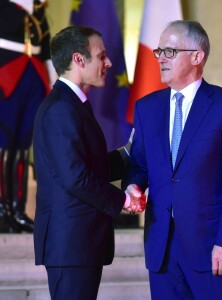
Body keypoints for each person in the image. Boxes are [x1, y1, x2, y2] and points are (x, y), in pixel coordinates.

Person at [124, 20, 222, 299]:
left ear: (197, 57)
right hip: (161, 249)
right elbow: (139, 166)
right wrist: (132, 186)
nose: (160, 57)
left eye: (169, 51)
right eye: (159, 51)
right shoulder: (147, 108)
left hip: (212, 248)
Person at [32, 25, 145, 300]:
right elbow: (75, 177)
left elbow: (87, 166)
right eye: (101, 56)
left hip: (79, 244)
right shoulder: (61, 107)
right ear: (79, 60)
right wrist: (124, 201)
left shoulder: (73, 103)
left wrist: (127, 153)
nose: (108, 62)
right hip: (70, 245)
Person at [0, 0, 56, 233]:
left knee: (23, 144)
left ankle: (17, 208)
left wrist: (54, 82)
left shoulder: (38, 11)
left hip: (33, 73)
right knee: (3, 141)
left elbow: (45, 47)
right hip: (6, 70)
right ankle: (2, 210)